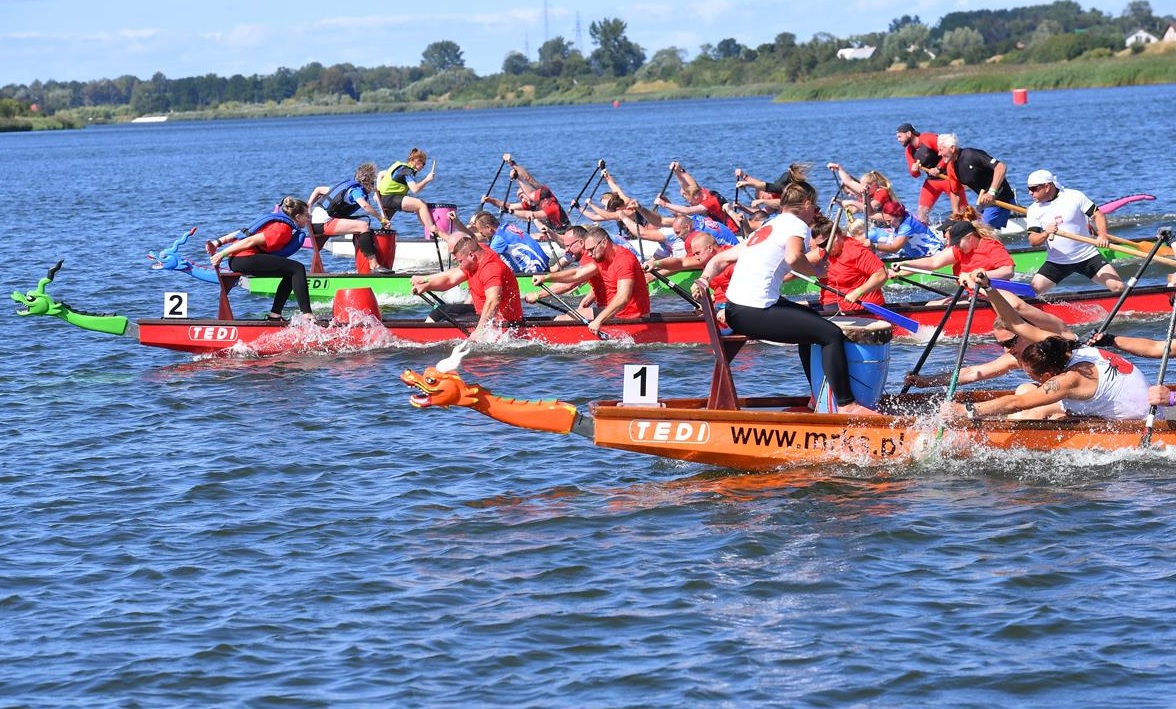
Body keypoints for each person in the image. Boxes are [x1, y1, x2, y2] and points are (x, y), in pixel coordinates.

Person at [692, 168, 878, 416]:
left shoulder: (766, 229)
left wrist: (704, 279)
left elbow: (720, 260)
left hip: (738, 309)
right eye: (815, 206)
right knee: (831, 334)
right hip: (753, 312)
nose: (815, 212)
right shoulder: (795, 225)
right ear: (807, 204)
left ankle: (816, 399)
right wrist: (816, 272)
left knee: (811, 327)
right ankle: (847, 405)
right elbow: (793, 257)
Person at [904, 270, 1073, 390]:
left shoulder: (1058, 336)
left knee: (1024, 390)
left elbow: (1017, 306)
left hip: (1092, 390)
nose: (1008, 350)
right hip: (1066, 395)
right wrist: (925, 382)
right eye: (1002, 345)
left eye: (1011, 342)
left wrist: (984, 286)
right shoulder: (1017, 359)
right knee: (1026, 390)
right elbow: (973, 373)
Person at [941, 334, 1150, 421]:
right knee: (1025, 389)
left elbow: (1016, 403)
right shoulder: (1074, 350)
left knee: (1032, 409)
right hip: (1132, 404)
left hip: (1136, 421)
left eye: (1037, 378)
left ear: (1049, 375)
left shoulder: (1068, 380)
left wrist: (964, 411)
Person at [529, 226, 651, 335]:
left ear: (604, 242)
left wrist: (599, 320)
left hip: (629, 315)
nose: (589, 254)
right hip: (614, 312)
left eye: (591, 249)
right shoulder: (602, 258)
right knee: (563, 319)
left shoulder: (624, 260)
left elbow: (623, 298)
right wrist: (546, 277)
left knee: (561, 321)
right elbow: (576, 274)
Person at [209, 197, 314, 321]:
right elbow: (249, 240)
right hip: (244, 259)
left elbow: (242, 232)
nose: (309, 219)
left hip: (239, 259)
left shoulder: (282, 224)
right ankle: (307, 315)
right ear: (297, 217)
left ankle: (275, 315)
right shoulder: (282, 229)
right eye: (307, 215)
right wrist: (221, 254)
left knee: (290, 272)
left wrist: (219, 241)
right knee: (297, 268)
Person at [1024, 169, 1122, 295]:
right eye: (1029, 189)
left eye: (1033, 189)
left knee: (1118, 287)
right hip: (1057, 262)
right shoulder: (1033, 210)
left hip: (1087, 256)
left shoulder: (1074, 196)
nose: (1030, 193)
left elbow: (1097, 215)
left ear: (1047, 186)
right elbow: (1032, 240)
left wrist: (1102, 235)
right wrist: (1045, 233)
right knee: (1032, 293)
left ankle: (1130, 312)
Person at [410, 235, 524, 338]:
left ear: (471, 255)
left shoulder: (490, 269)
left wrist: (479, 331)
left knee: (445, 320)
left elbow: (493, 301)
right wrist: (426, 284)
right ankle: (423, 337)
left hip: (501, 321)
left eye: (460, 261)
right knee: (439, 311)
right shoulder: (477, 254)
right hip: (481, 312)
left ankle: (422, 339)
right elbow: (450, 279)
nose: (459, 263)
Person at [891, 219, 1015, 301]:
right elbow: (933, 262)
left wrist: (980, 275)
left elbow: (1008, 271)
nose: (955, 246)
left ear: (970, 238)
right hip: (974, 296)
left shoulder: (991, 246)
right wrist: (905, 263)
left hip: (997, 296)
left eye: (958, 243)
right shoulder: (959, 249)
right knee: (931, 305)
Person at [307, 162, 391, 272]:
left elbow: (318, 190)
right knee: (363, 226)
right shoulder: (356, 190)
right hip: (323, 222)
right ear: (368, 182)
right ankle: (374, 265)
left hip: (320, 220)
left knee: (361, 226)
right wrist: (381, 219)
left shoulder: (347, 186)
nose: (374, 186)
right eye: (373, 183)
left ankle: (362, 267)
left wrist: (308, 207)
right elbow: (365, 205)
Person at [807, 214, 888, 312]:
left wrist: (857, 293)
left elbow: (881, 274)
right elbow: (799, 261)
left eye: (824, 244)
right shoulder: (826, 251)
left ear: (836, 237)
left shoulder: (856, 252)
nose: (823, 249)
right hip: (844, 308)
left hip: (867, 310)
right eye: (819, 245)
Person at [936, 133, 1018, 228]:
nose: (939, 154)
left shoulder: (971, 155)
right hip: (984, 203)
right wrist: (956, 215)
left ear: (952, 148)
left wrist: (991, 192)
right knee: (970, 227)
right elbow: (955, 192)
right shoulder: (951, 167)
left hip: (1001, 200)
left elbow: (1001, 167)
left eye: (941, 150)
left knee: (979, 230)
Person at [482, 153, 570, 230]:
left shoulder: (545, 195)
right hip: (553, 231)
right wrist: (490, 200)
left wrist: (511, 163)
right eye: (520, 198)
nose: (522, 199)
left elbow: (529, 179)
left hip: (564, 231)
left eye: (522, 195)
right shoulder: (530, 204)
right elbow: (508, 206)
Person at [655, 161, 741, 233]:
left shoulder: (710, 202)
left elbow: (688, 211)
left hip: (731, 231)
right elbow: (688, 185)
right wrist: (677, 171)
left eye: (690, 201)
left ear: (696, 197)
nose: (689, 203)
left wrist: (665, 204)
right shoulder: (701, 192)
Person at [376, 147, 441, 238]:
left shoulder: (400, 167)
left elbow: (381, 174)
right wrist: (427, 179)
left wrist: (377, 192)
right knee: (421, 204)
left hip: (384, 198)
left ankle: (428, 234)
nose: (423, 166)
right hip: (389, 198)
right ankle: (434, 232)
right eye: (423, 163)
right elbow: (415, 189)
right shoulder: (407, 171)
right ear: (416, 160)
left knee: (417, 207)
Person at [895, 123, 951, 224]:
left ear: (908, 133)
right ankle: (926, 235)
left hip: (949, 177)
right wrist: (914, 170)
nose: (898, 139)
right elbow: (915, 175)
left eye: (900, 136)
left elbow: (949, 152)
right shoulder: (909, 151)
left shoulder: (928, 138)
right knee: (922, 212)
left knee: (961, 210)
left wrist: (938, 168)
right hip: (932, 181)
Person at [469, 211, 550, 274]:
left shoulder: (498, 240)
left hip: (535, 272)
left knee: (491, 264)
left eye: (481, 232)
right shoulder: (507, 227)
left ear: (488, 227)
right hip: (545, 266)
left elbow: (485, 261)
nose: (482, 235)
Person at [870, 200, 944, 258]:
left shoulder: (906, 227)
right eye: (886, 221)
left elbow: (894, 248)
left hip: (933, 254)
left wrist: (874, 246)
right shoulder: (901, 215)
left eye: (889, 221)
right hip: (917, 254)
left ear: (898, 216)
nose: (888, 224)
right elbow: (870, 214)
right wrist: (865, 196)